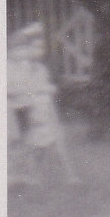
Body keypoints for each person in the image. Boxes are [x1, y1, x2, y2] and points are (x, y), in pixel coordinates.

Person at [8, 22, 76, 183]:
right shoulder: (14, 67)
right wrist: (40, 90)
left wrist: (45, 90)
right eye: (22, 49)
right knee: (24, 143)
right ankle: (21, 175)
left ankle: (66, 175)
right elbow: (20, 88)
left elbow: (37, 87)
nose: (24, 53)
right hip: (21, 108)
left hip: (37, 107)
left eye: (25, 49)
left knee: (47, 140)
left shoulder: (35, 68)